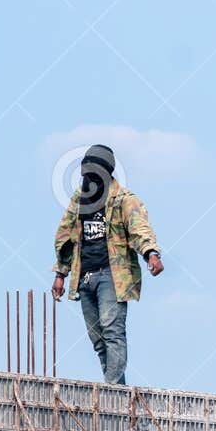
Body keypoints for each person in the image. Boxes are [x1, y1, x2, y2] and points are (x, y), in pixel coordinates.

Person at [50, 143, 163, 385]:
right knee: (98, 339)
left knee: (112, 332)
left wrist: (151, 253)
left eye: (94, 174)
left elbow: (139, 228)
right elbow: (65, 234)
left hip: (111, 275)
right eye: (86, 175)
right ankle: (116, 389)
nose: (89, 179)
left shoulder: (123, 200)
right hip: (84, 277)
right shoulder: (80, 201)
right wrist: (61, 274)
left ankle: (111, 389)